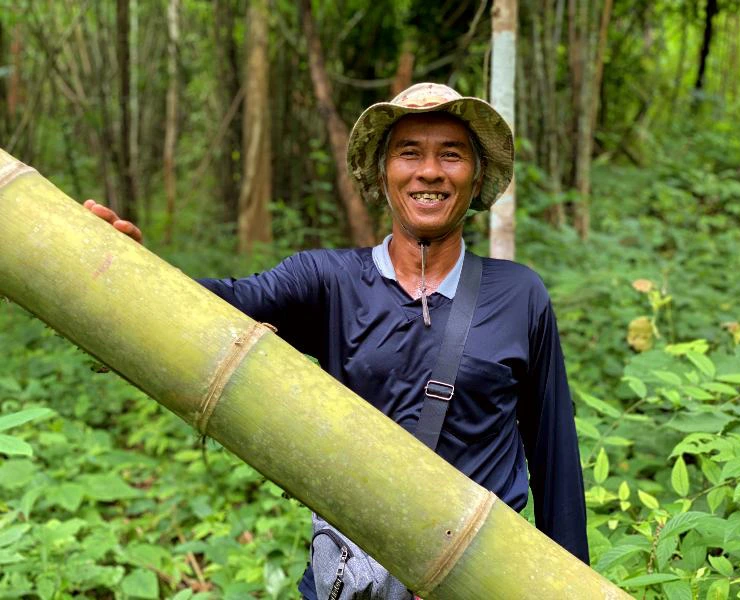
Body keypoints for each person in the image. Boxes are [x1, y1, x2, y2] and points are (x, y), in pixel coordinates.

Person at [86, 82, 589, 598]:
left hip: (480, 583)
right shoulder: (329, 281)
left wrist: (572, 585)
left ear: (476, 175)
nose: (430, 171)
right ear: (381, 173)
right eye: (409, 152)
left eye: (452, 155)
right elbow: (218, 306)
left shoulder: (519, 294)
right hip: (353, 583)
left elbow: (554, 456)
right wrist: (127, 274)